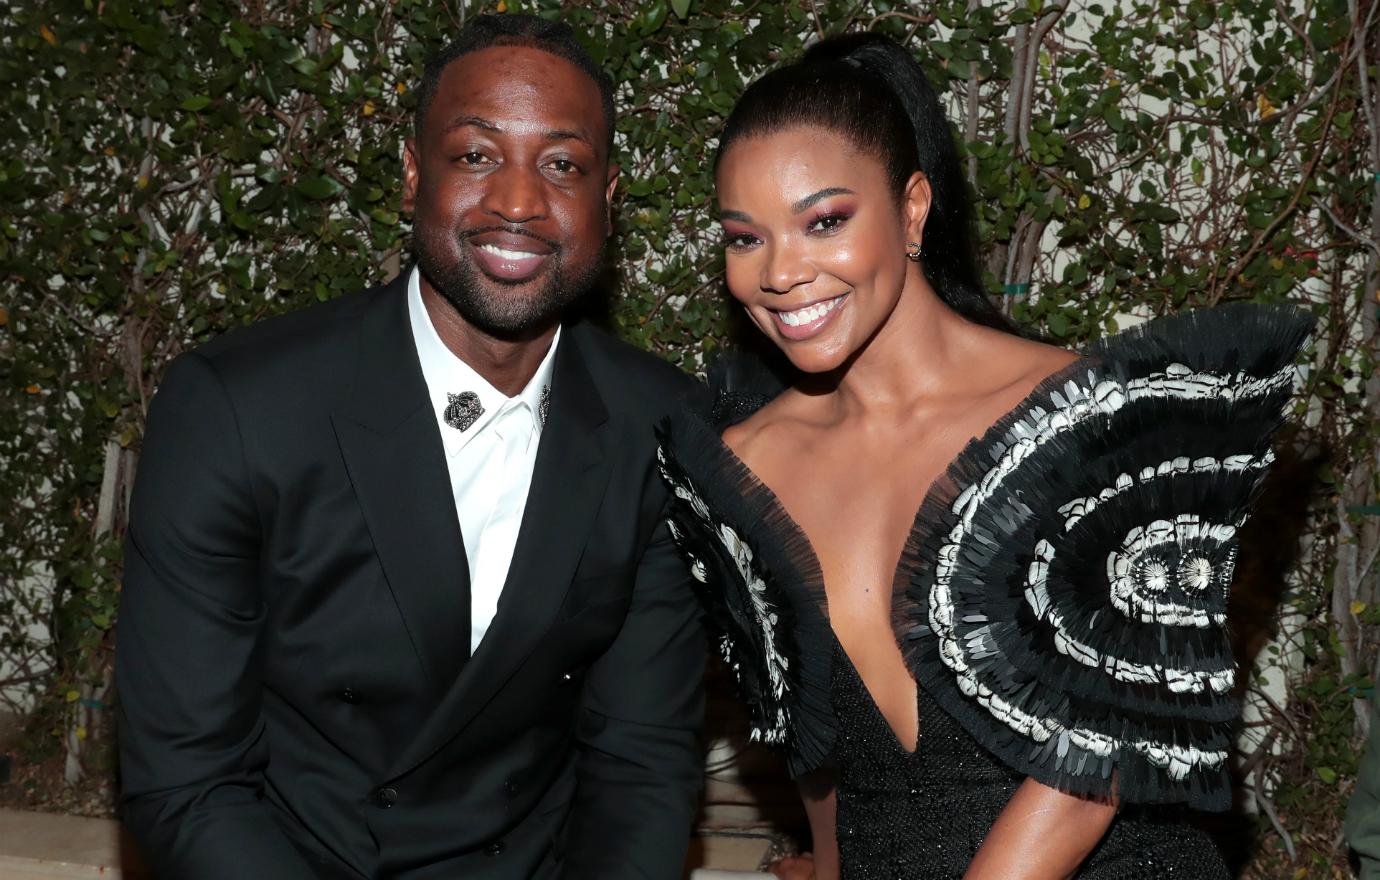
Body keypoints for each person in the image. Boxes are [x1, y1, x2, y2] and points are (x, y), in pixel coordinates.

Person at [655, 32, 1312, 879]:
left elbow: (1092, 765)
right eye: (746, 238)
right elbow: (812, 748)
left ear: (913, 208)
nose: (782, 273)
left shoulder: (1099, 428)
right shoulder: (738, 471)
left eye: (824, 221)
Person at [116, 14, 705, 879]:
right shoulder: (241, 409)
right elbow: (186, 781)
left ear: (607, 201)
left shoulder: (661, 426)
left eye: (562, 165)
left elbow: (641, 765)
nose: (516, 200)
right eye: (475, 155)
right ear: (410, 176)